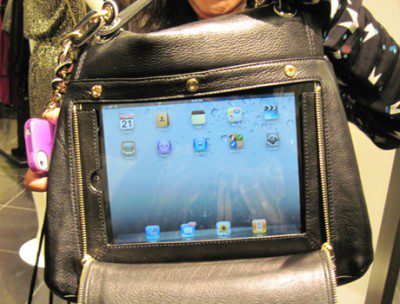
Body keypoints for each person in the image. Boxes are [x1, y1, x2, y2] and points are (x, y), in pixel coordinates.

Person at [25, 0, 399, 192]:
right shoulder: (129, 19)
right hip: (157, 240)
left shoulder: (306, 15)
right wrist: (78, 154)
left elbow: (393, 123)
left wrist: (332, 12)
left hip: (276, 246)